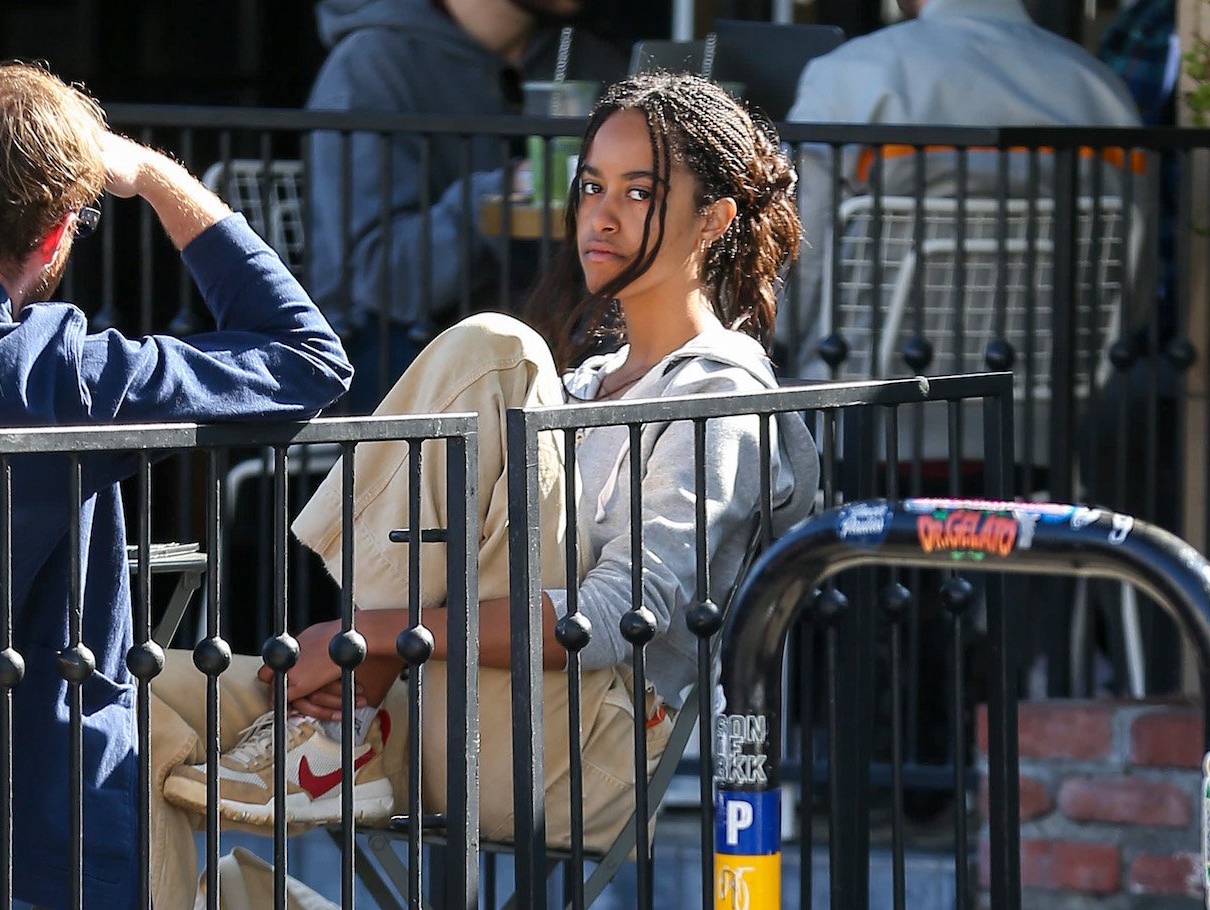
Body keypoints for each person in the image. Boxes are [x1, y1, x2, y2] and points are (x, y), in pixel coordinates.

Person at [152, 72, 820, 909]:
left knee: (499, 350)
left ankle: (337, 721)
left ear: (715, 218)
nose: (602, 215)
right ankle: (335, 729)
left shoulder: (720, 394)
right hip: (437, 702)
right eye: (590, 187)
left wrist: (372, 636)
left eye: (640, 193)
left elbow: (621, 613)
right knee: (131, 714)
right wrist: (380, 648)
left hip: (578, 751)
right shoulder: (581, 387)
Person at [0, 61, 353, 910]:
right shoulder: (60, 374)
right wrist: (147, 174)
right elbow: (307, 357)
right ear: (57, 235)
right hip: (42, 810)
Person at [783, 0, 1144, 378]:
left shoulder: (850, 73)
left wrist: (771, 335)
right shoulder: (1099, 88)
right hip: (1049, 382)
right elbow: (1132, 267)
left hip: (861, 379)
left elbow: (800, 244)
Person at [305, 0, 626, 412]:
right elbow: (381, 273)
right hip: (391, 345)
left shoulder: (588, 60)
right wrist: (501, 192)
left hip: (547, 340)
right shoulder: (369, 66)